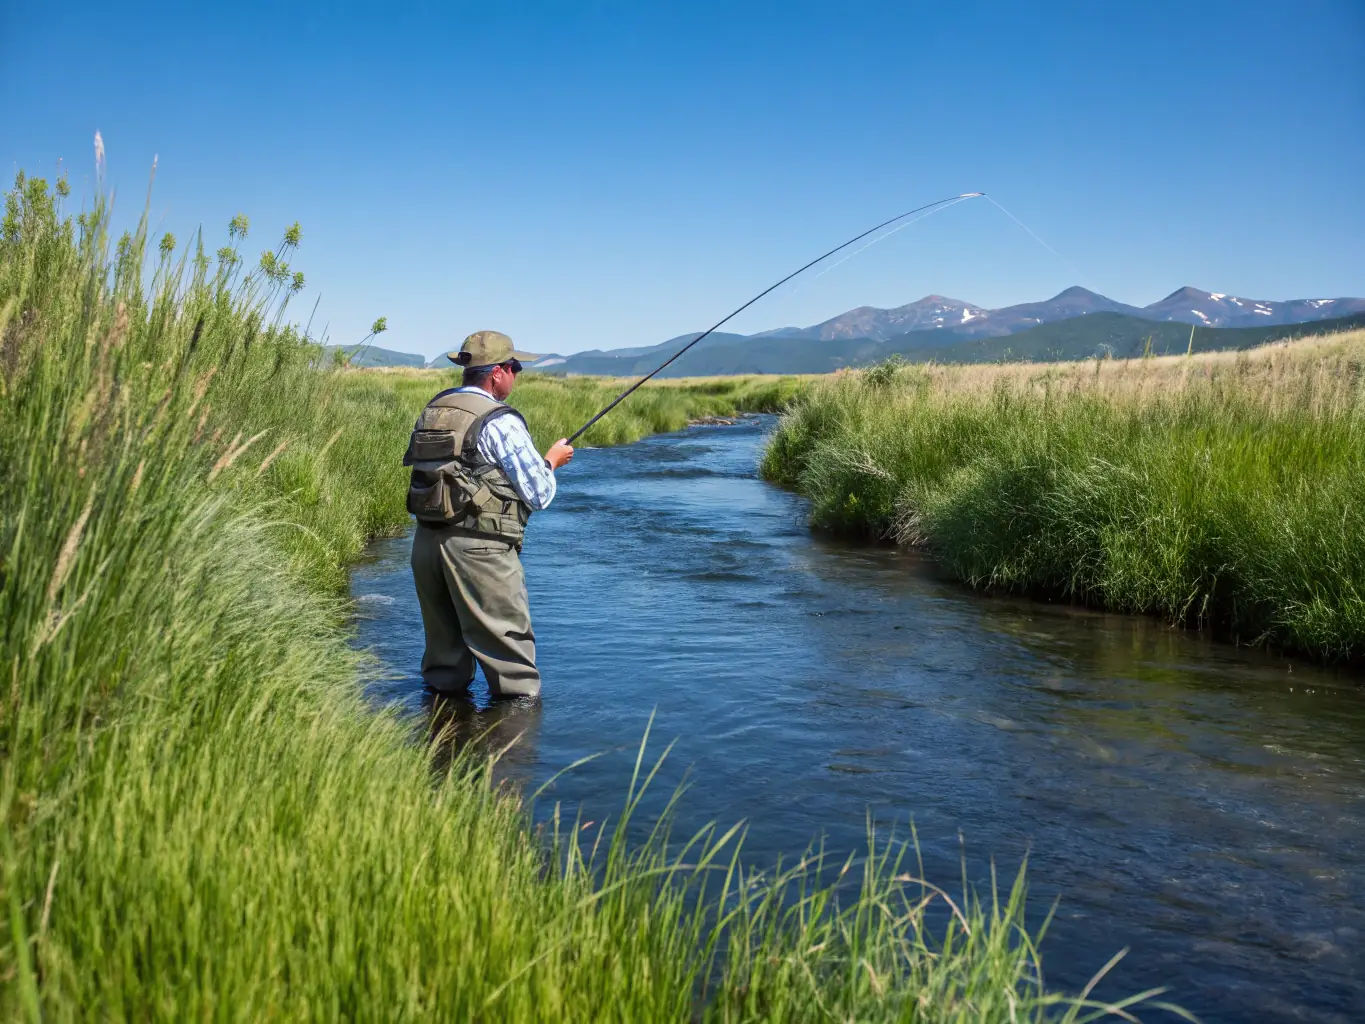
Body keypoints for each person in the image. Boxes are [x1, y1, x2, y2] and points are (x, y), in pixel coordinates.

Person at [405, 330, 574, 699]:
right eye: (514, 367)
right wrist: (552, 461)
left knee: (444, 672)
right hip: (480, 552)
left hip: (426, 546)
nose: (516, 373)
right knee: (515, 680)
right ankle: (514, 755)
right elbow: (539, 493)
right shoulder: (500, 420)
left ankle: (440, 748)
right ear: (497, 373)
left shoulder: (433, 410)